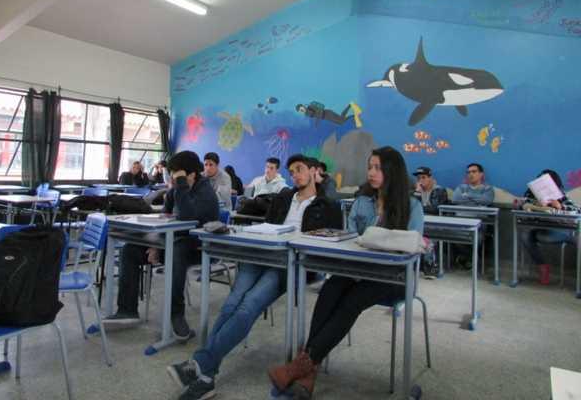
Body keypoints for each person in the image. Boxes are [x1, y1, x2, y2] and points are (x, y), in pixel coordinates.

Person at [166, 154, 341, 400]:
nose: (295, 175)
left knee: (248, 306)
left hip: (289, 263)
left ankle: (201, 367)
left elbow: (331, 241)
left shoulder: (328, 204)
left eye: (300, 170)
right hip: (261, 254)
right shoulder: (284, 197)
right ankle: (206, 373)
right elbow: (268, 226)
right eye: (292, 172)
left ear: (314, 171)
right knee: (231, 303)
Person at [267, 146, 423, 400]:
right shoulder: (363, 201)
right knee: (331, 289)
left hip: (394, 277)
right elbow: (352, 237)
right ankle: (309, 371)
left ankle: (302, 365)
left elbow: (411, 245)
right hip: (359, 269)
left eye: (377, 168)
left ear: (392, 172)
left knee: (352, 300)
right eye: (369, 167)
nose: (371, 173)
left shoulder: (412, 205)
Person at [103, 151, 219, 338]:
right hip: (171, 242)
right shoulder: (177, 188)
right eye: (172, 175)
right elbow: (164, 218)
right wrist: (157, 244)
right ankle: (127, 310)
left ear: (191, 174)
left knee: (178, 252)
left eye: (177, 175)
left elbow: (188, 219)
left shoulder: (206, 192)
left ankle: (177, 315)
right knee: (130, 251)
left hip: (199, 248)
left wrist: (180, 186)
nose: (172, 179)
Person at [520, 169, 581, 285]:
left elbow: (577, 210)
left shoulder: (561, 196)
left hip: (559, 231)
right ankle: (542, 267)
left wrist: (560, 206)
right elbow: (522, 206)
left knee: (577, 238)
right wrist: (535, 205)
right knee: (525, 234)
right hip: (538, 231)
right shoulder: (530, 194)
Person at [451, 163, 494, 269]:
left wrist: (467, 196)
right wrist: (477, 199)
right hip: (460, 221)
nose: (470, 174)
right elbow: (455, 199)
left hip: (479, 223)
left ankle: (467, 258)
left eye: (474, 172)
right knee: (451, 236)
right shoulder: (461, 187)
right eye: (468, 172)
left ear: (481, 174)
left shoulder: (487, 189)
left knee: (477, 239)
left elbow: (486, 200)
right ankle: (471, 258)